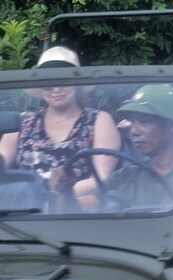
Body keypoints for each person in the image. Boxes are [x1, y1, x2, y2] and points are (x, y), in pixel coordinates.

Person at [0, 46, 120, 209]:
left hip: (77, 214)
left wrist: (56, 197)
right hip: (25, 216)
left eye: (64, 82)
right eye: (48, 84)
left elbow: (102, 178)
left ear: (77, 84)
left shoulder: (99, 120)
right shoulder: (22, 123)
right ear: (41, 88)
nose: (56, 89)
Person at [103, 84, 173, 210]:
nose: (134, 131)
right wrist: (64, 186)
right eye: (132, 122)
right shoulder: (126, 177)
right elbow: (83, 204)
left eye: (144, 122)